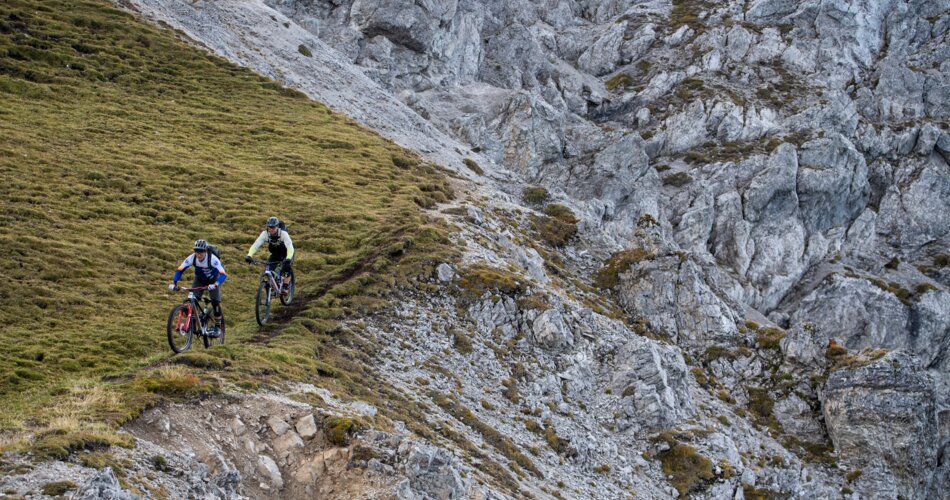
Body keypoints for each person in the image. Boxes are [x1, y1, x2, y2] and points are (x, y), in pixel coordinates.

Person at [169, 239, 227, 336]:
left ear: (206, 251)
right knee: (192, 299)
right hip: (199, 279)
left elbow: (223, 274)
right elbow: (180, 269)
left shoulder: (212, 259)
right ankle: (193, 322)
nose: (199, 255)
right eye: (197, 252)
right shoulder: (192, 258)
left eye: (201, 252)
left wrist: (216, 284)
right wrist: (174, 283)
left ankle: (217, 326)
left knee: (215, 301)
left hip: (214, 279)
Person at [245, 216, 295, 295]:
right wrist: (249, 255)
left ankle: (285, 286)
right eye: (269, 227)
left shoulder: (283, 234)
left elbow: (290, 247)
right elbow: (256, 245)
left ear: (277, 227)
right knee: (268, 270)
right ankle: (272, 286)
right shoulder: (265, 234)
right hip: (275, 254)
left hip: (287, 253)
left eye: (273, 227)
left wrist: (288, 258)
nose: (271, 229)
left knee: (286, 267)